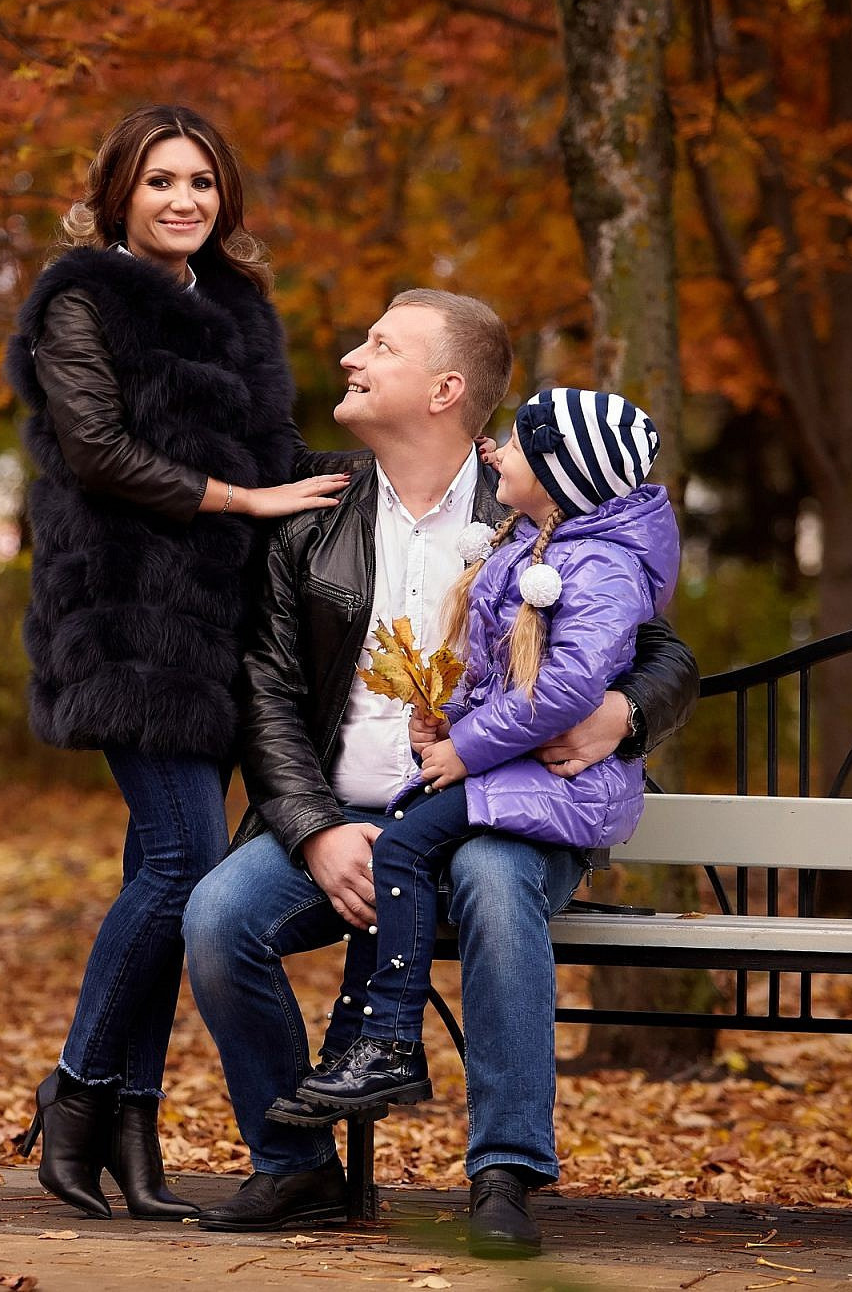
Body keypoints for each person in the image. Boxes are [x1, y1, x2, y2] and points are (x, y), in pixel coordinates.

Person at [181, 290, 698, 1255]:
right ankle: (296, 1170)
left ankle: (504, 1173)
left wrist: (626, 715)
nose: (349, 355)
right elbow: (268, 688)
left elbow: (658, 650)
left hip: (496, 813)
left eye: (380, 344)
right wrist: (312, 825)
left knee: (498, 890)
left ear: (445, 389)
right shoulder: (316, 512)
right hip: (342, 811)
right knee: (215, 920)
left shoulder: (532, 501)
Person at [6, 103, 351, 1222]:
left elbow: (276, 454)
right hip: (124, 617)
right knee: (182, 868)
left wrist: (395, 469)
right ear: (120, 192)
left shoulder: (241, 308)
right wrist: (242, 499)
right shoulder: (80, 298)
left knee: (154, 870)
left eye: (200, 181)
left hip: (219, 627)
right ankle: (76, 1091)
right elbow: (97, 451)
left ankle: (128, 1120)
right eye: (160, 181)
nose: (182, 200)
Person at [296, 388, 678, 1124]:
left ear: (562, 476)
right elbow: (499, 671)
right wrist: (445, 724)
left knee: (409, 849)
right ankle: (372, 1045)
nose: (497, 450)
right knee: (404, 846)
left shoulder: (593, 567)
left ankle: (389, 1046)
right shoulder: (526, 543)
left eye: (518, 443)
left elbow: (563, 687)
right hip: (506, 779)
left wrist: (466, 750)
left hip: (546, 791)